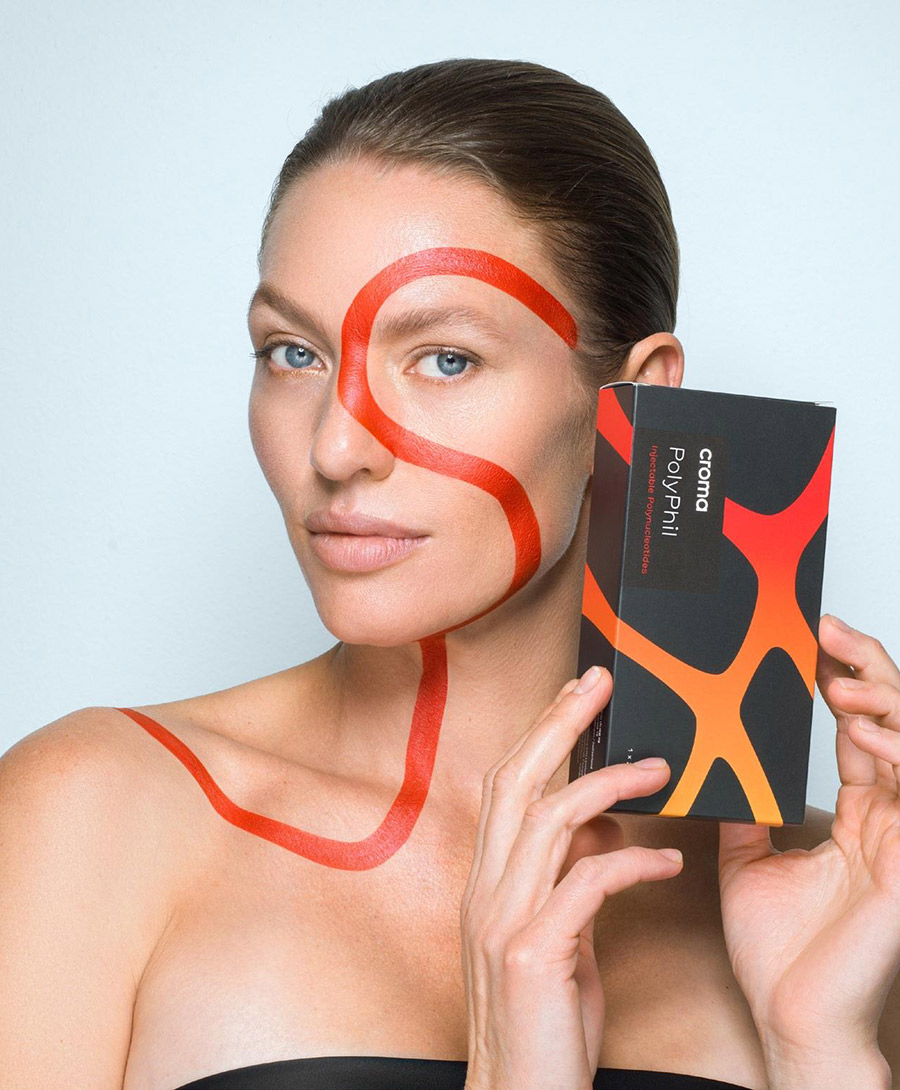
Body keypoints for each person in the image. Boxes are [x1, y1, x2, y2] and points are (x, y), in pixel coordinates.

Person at [1, 57, 898, 1090]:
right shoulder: (96, 814)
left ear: (635, 401)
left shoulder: (829, 890)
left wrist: (820, 1049)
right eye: (292, 352)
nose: (336, 447)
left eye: (445, 359)